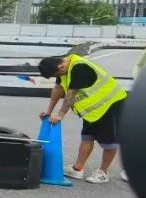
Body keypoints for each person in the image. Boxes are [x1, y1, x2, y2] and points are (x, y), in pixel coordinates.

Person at [38, 53, 127, 183]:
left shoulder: (79, 68)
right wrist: (49, 111)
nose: (57, 77)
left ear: (61, 66)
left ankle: (103, 172)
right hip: (93, 109)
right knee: (87, 137)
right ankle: (77, 169)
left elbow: (71, 94)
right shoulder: (63, 69)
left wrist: (60, 115)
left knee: (109, 142)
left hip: (111, 104)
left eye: (56, 75)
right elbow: (58, 88)